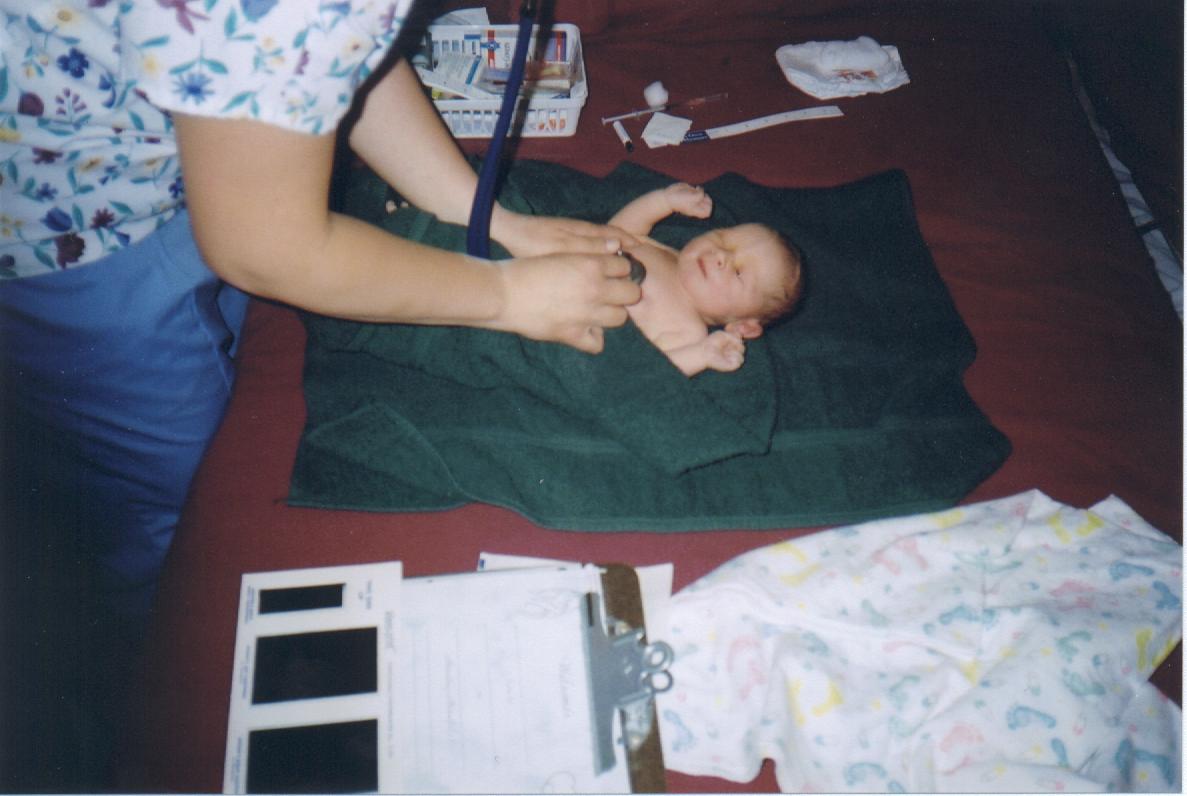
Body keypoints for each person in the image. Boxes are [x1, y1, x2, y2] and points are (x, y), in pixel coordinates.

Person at [0, 3, 638, 787]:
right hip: (66, 236)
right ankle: (123, 699)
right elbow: (264, 249)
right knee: (169, 506)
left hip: (174, 164)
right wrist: (505, 296)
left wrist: (480, 212)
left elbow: (341, 52)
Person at [609, 182, 804, 376]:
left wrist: (702, 355)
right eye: (723, 239)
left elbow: (651, 373)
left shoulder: (688, 331)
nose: (720, 255)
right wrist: (664, 201)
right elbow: (616, 232)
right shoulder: (667, 254)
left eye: (738, 272)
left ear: (742, 325)